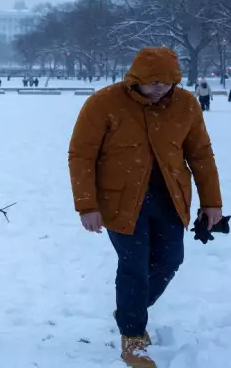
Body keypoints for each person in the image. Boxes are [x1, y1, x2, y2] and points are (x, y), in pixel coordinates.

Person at [68, 47, 223, 368]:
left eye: (167, 82)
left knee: (170, 261)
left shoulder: (186, 104)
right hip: (121, 202)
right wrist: (87, 205)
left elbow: (201, 155)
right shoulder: (104, 103)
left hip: (170, 199)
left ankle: (129, 310)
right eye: (152, 81)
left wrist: (212, 203)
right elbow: (81, 155)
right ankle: (133, 338)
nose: (159, 88)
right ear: (135, 76)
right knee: (134, 266)